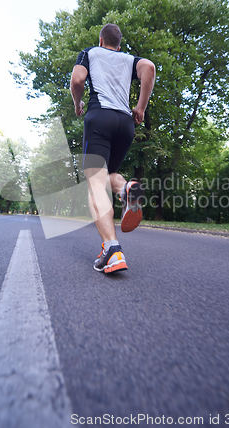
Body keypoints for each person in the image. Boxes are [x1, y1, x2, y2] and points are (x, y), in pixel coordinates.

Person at [70, 23, 155, 274]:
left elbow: (77, 79)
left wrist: (78, 103)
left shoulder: (89, 53)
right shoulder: (128, 59)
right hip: (125, 124)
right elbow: (149, 67)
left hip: (100, 119)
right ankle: (126, 188)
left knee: (94, 183)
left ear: (100, 41)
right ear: (119, 45)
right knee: (107, 177)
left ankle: (112, 250)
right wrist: (140, 107)